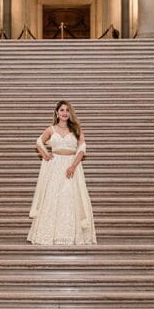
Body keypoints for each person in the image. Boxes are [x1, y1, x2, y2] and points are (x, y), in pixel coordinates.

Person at [27, 101, 96, 245]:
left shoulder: (76, 129)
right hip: (55, 167)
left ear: (70, 113)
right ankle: (49, 234)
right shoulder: (51, 129)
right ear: (57, 113)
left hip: (71, 167)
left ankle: (70, 235)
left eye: (67, 110)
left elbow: (82, 148)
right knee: (52, 198)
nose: (65, 113)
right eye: (62, 110)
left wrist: (73, 166)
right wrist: (46, 155)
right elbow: (39, 142)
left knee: (70, 198)